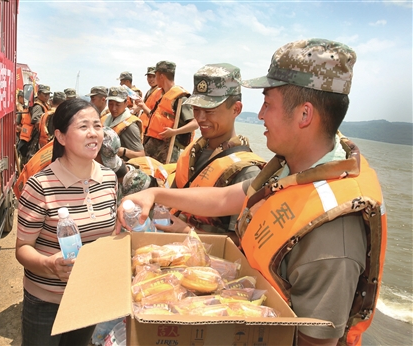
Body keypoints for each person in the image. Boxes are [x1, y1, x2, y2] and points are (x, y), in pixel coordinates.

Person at [116, 39, 386, 346]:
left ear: (304, 115)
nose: (260, 115)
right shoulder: (293, 169)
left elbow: (315, 339)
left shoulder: (332, 233)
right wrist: (155, 195)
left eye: (268, 104)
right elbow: (227, 197)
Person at [16, 98, 118, 346]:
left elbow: (110, 233)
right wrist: (49, 264)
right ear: (61, 137)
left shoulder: (110, 178)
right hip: (46, 302)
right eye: (83, 127)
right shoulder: (40, 185)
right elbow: (22, 249)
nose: (93, 133)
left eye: (97, 125)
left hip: (87, 297)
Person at [156, 63, 265, 245]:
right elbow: (173, 199)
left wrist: (187, 231)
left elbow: (239, 244)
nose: (200, 118)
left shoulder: (246, 172)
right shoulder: (192, 152)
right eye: (196, 110)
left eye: (210, 111)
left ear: (236, 109)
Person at [138, 61, 198, 163]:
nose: (155, 79)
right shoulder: (161, 95)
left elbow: (195, 124)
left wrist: (174, 132)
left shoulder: (180, 98)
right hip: (152, 145)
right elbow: (154, 117)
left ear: (161, 76)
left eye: (155, 76)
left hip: (167, 148)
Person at [102, 86, 145, 161]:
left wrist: (123, 151)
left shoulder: (130, 126)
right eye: (111, 104)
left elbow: (141, 155)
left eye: (118, 105)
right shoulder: (107, 118)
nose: (113, 108)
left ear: (126, 103)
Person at [18, 84, 51, 165]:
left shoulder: (41, 103)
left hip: (29, 139)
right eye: (45, 94)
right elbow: (37, 121)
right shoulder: (38, 106)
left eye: (48, 94)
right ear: (39, 94)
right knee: (30, 162)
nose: (47, 97)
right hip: (33, 139)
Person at [138, 66, 163, 135]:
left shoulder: (161, 92)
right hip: (144, 127)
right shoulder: (150, 91)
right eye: (149, 77)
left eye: (153, 76)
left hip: (151, 129)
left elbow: (155, 115)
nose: (151, 79)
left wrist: (143, 106)